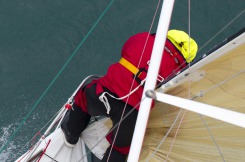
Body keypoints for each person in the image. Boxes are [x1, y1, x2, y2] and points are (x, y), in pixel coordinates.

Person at [61, 29, 198, 162]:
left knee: (83, 100)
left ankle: (70, 136)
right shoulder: (179, 75)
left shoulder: (143, 38)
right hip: (130, 114)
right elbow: (173, 99)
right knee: (120, 149)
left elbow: (125, 49)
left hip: (102, 94)